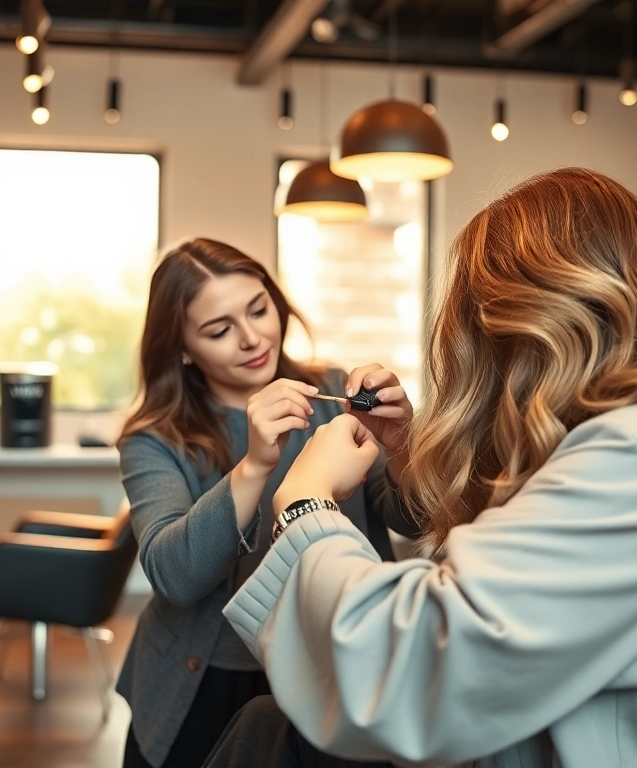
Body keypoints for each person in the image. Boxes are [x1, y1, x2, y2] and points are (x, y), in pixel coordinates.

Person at [209, 168, 637, 768]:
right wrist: (404, 450)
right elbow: (499, 565)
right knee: (265, 729)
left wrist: (305, 503)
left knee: (266, 736)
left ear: (530, 321)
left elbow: (413, 669)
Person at [115, 238, 421, 768]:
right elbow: (174, 575)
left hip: (332, 660)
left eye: (259, 310)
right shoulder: (155, 439)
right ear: (183, 347)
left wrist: (401, 450)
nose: (253, 337)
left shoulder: (331, 392)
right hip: (208, 676)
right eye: (219, 329)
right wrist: (255, 464)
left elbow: (410, 519)